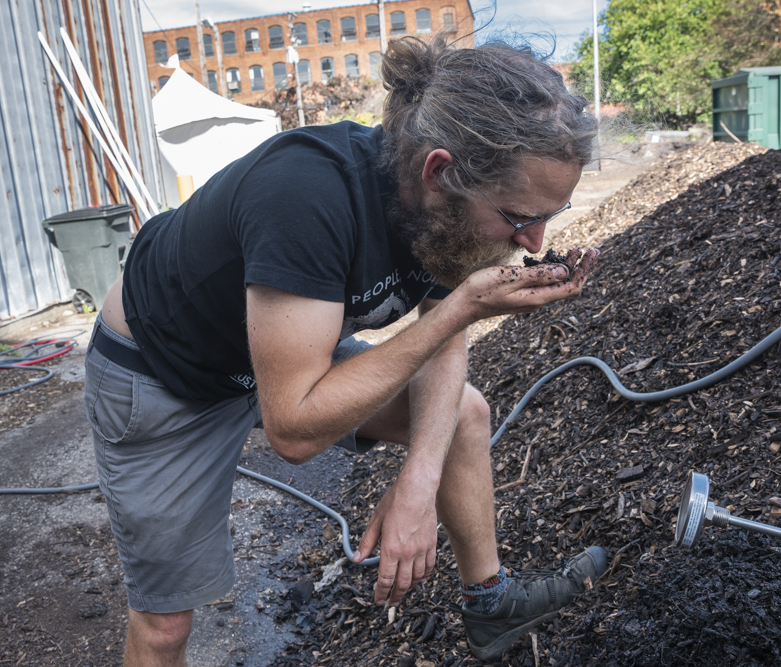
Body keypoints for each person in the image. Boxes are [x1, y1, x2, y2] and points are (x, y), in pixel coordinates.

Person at [85, 35, 606, 666]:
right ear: (438, 172)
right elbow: (295, 432)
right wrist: (467, 306)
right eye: (521, 217)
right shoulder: (306, 195)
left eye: (549, 216)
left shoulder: (442, 212)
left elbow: (443, 338)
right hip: (164, 372)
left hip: (278, 353)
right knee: (165, 624)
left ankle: (490, 606)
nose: (534, 242)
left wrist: (419, 479)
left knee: (462, 415)